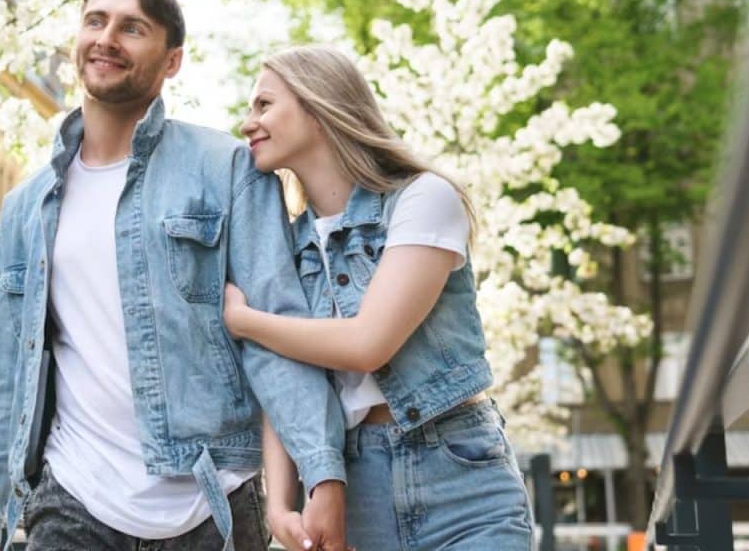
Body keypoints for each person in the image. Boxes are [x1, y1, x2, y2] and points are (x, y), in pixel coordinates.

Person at [0, 0, 349, 550]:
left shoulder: (229, 170)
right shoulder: (26, 207)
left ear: (172, 61)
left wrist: (322, 473)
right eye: (95, 21)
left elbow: (279, 335)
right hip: (73, 499)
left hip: (213, 501)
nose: (106, 39)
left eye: (132, 28)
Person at [224, 45, 534, 551]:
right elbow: (283, 381)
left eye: (263, 105)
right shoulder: (286, 246)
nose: (247, 123)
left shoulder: (424, 199)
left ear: (318, 108)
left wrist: (245, 321)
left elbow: (368, 342)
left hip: (459, 478)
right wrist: (281, 502)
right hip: (355, 484)